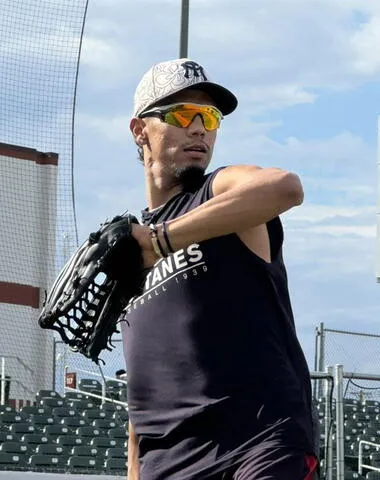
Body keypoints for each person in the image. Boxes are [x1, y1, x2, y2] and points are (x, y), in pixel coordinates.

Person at [120, 58, 319, 480]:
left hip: (258, 445)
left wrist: (162, 240)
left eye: (209, 117)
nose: (200, 128)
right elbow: (143, 382)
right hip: (168, 464)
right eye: (182, 114)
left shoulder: (219, 191)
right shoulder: (129, 251)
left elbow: (285, 186)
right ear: (140, 131)